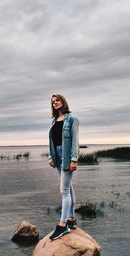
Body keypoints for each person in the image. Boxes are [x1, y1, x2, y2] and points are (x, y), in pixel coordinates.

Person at [48, 94, 79, 240]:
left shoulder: (72, 119)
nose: (55, 103)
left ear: (63, 101)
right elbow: (52, 141)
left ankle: (62, 225)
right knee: (68, 187)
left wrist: (74, 159)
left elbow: (75, 141)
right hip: (57, 156)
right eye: (53, 102)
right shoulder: (54, 121)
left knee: (64, 190)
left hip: (66, 156)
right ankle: (71, 219)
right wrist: (50, 157)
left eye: (58, 100)